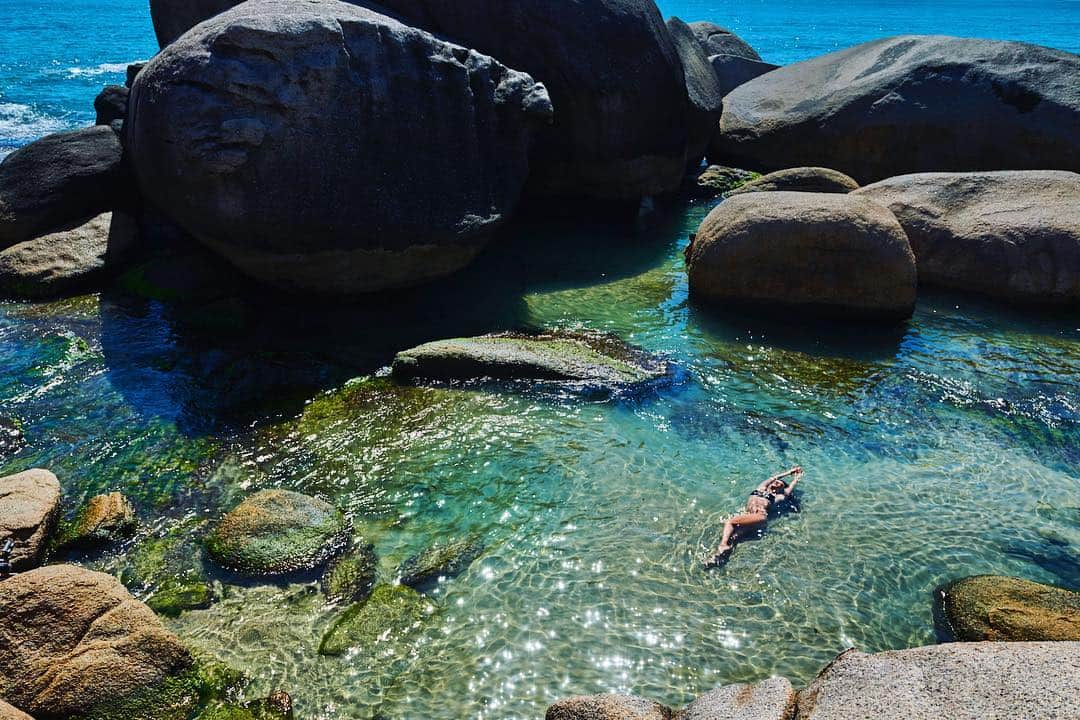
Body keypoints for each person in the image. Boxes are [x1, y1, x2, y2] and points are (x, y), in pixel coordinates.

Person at [708, 466, 802, 565]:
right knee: (734, 538)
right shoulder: (761, 488)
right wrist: (789, 472)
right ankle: (717, 559)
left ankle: (723, 545)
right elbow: (773, 477)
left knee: (730, 522)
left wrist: (797, 478)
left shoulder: (778, 497)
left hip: (760, 517)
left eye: (780, 484)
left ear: (782, 489)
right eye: (777, 481)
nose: (777, 482)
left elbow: (790, 487)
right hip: (750, 517)